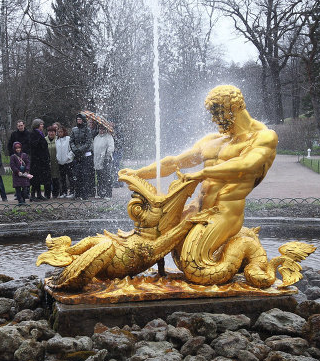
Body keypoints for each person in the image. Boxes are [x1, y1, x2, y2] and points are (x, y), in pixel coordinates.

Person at [122, 85, 277, 266]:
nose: (214, 119)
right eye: (212, 113)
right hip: (197, 208)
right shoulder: (212, 140)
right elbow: (174, 162)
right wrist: (138, 173)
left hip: (225, 211)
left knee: (192, 262)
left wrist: (202, 173)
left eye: (218, 113)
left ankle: (240, 251)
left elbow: (244, 165)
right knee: (162, 242)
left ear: (234, 107)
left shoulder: (263, 137)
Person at [69, 112, 95, 199]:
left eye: (80, 119)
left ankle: (85, 193)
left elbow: (88, 142)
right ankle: (77, 193)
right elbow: (71, 141)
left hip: (85, 155)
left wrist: (80, 149)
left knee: (85, 174)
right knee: (77, 174)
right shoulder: (74, 129)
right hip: (77, 155)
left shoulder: (88, 130)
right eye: (77, 119)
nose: (78, 121)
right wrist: (75, 149)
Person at [28, 118, 51, 200]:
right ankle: (33, 195)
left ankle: (39, 194)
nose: (42, 126)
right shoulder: (34, 134)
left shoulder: (40, 133)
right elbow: (34, 146)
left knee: (39, 177)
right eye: (41, 124)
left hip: (41, 160)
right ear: (37, 125)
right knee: (35, 178)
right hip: (36, 160)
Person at [93, 123, 115, 199]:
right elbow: (94, 148)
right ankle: (100, 193)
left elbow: (111, 147)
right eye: (100, 129)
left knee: (106, 176)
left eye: (103, 129)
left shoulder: (109, 137)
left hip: (106, 159)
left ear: (105, 129)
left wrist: (106, 154)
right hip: (97, 159)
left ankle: (108, 194)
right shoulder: (96, 138)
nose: (101, 130)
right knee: (99, 177)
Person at [55, 125, 75, 198]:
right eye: (58, 132)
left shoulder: (68, 139)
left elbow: (72, 150)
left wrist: (68, 157)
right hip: (60, 162)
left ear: (64, 132)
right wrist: (57, 158)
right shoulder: (56, 140)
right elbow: (57, 151)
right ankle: (64, 192)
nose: (60, 133)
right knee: (62, 178)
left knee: (70, 177)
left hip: (68, 162)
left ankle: (72, 192)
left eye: (61, 132)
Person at [45, 125, 60, 198]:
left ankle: (55, 194)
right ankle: (47, 194)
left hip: (56, 162)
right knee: (47, 179)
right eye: (49, 132)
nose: (51, 134)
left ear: (55, 132)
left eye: (52, 132)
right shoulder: (44, 140)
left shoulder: (58, 140)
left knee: (55, 178)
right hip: (47, 162)